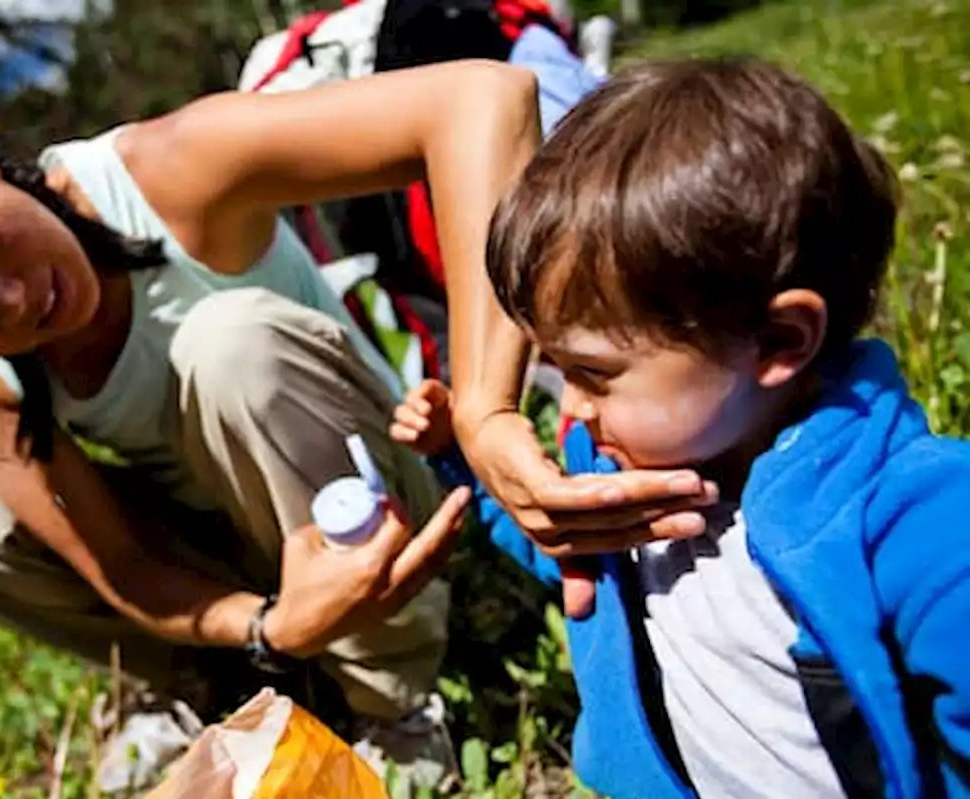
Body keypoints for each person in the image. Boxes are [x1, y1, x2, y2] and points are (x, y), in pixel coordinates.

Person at [0, 58, 717, 785]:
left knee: (224, 341)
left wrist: (490, 405)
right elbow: (120, 565)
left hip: (374, 499)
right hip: (265, 569)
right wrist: (269, 626)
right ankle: (242, 686)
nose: (6, 302)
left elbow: (482, 99)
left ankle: (395, 695)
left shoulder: (167, 173)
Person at [392, 56, 970, 799]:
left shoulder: (919, 527)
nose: (571, 407)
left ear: (779, 342)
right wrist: (462, 464)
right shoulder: (618, 468)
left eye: (596, 374)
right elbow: (558, 548)